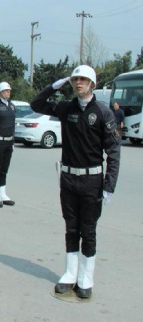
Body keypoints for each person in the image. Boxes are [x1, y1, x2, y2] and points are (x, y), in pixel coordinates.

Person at [31, 65, 121, 299]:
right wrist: (54, 85)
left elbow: (113, 151)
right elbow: (36, 104)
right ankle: (70, 274)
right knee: (71, 228)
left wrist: (109, 184)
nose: (78, 83)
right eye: (75, 79)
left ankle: (86, 279)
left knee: (88, 231)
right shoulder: (66, 108)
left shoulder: (103, 112)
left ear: (91, 83)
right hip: (69, 178)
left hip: (92, 180)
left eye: (83, 79)